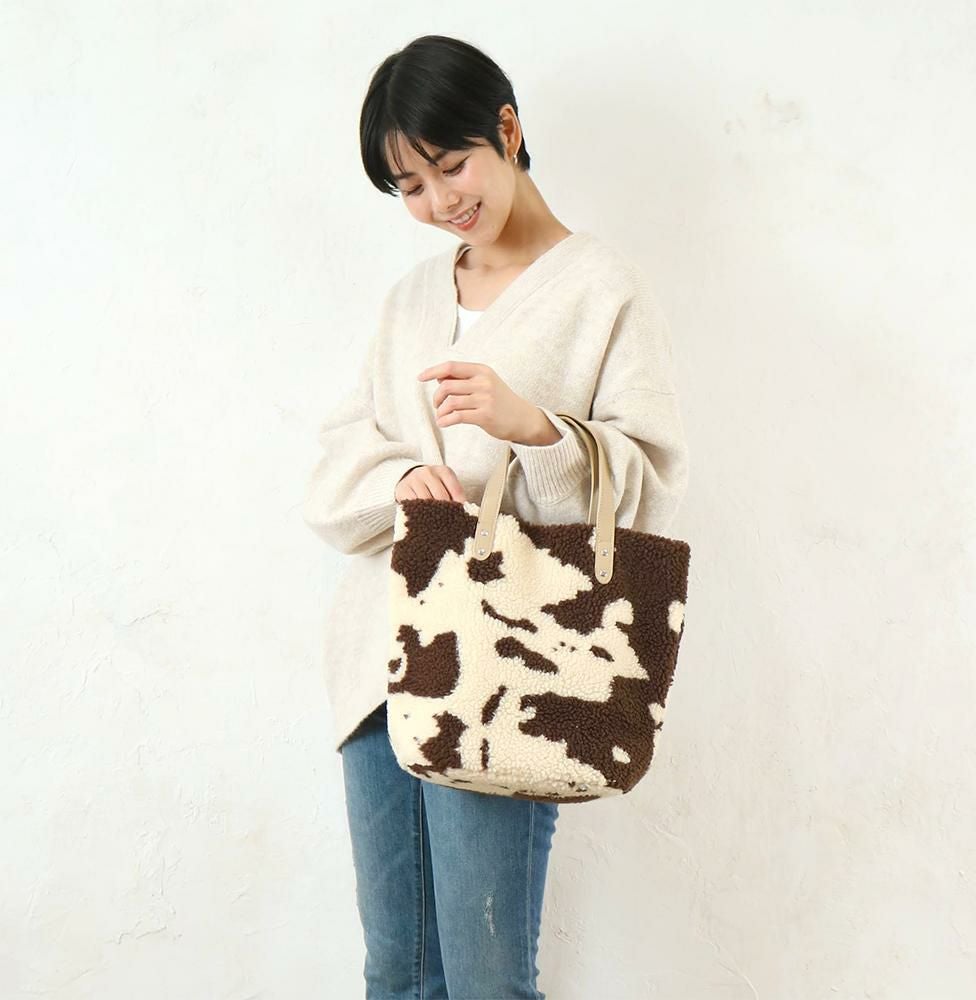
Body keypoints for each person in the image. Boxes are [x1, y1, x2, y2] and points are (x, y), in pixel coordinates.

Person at [302, 33, 690, 999]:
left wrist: (535, 430)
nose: (440, 201)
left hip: (509, 670)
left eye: (451, 164)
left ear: (507, 130)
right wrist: (401, 479)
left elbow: (646, 485)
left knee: (485, 981)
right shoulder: (408, 301)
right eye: (410, 185)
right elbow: (338, 460)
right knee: (398, 975)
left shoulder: (600, 288)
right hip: (381, 664)